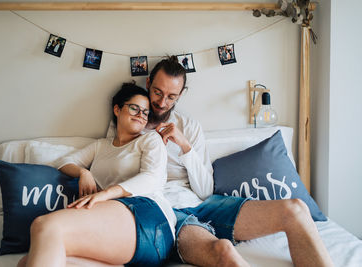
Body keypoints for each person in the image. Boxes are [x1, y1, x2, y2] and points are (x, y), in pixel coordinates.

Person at [107, 56, 334, 267]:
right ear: (148, 84)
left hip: (203, 203)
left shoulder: (189, 126)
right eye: (157, 92)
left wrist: (185, 146)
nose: (162, 102)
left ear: (181, 94)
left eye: (171, 96)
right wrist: (83, 172)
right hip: (166, 211)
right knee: (222, 251)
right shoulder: (127, 120)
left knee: (295, 209)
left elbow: (205, 190)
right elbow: (109, 168)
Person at [18, 83, 176, 267]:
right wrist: (83, 172)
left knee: (45, 226)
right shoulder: (101, 146)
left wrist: (105, 194)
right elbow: (62, 163)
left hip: (148, 217)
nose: (141, 115)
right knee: (27, 262)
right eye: (135, 108)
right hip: (121, 233)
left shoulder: (149, 139)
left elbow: (152, 178)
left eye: (145, 112)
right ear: (117, 109)